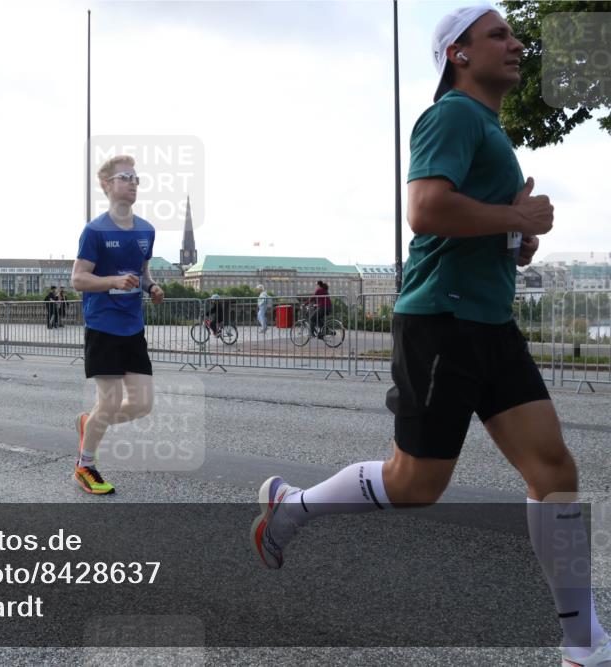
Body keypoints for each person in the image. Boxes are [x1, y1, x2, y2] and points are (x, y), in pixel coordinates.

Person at [251, 8, 609, 666]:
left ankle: (584, 641)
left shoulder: (489, 129)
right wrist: (515, 215)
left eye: (514, 33)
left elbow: (473, 226)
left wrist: (518, 237)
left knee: (553, 470)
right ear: (459, 54)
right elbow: (424, 208)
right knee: (415, 483)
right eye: (499, 34)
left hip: (491, 323)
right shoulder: (452, 115)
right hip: (442, 321)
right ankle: (291, 506)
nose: (517, 43)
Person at [71, 154, 164, 494]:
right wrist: (112, 281)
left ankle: (91, 421)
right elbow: (78, 279)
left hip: (133, 327)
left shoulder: (146, 230)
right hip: (103, 326)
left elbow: (142, 272)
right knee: (109, 402)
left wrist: (151, 287)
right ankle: (85, 466)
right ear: (107, 185)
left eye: (136, 178)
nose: (133, 183)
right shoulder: (95, 231)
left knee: (142, 405)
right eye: (125, 177)